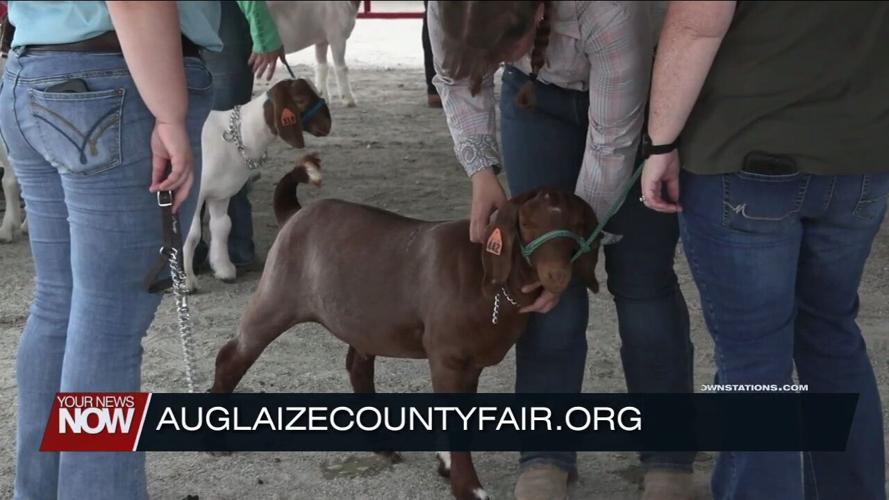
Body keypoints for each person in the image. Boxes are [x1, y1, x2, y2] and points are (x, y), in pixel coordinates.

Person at [429, 2, 694, 499]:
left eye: (504, 51)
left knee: (642, 281)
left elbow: (612, 141)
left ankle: (668, 453)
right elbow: (457, 71)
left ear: (535, 17)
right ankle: (545, 452)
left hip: (642, 96)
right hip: (538, 101)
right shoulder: (450, 6)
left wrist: (569, 251)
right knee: (539, 285)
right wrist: (481, 170)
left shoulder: (608, 9)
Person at [640, 2, 888, 499]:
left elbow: (695, 26)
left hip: (745, 152)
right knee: (831, 334)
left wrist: (659, 144)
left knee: (755, 363)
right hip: (862, 154)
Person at [0, 2, 219, 498]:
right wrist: (169, 114)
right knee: (107, 323)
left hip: (36, 67)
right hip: (116, 81)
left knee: (61, 302)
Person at [194, 0, 286, 272]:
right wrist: (265, 34)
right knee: (230, 141)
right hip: (210, 18)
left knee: (222, 138)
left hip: (180, 18)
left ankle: (211, 251)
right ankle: (233, 249)